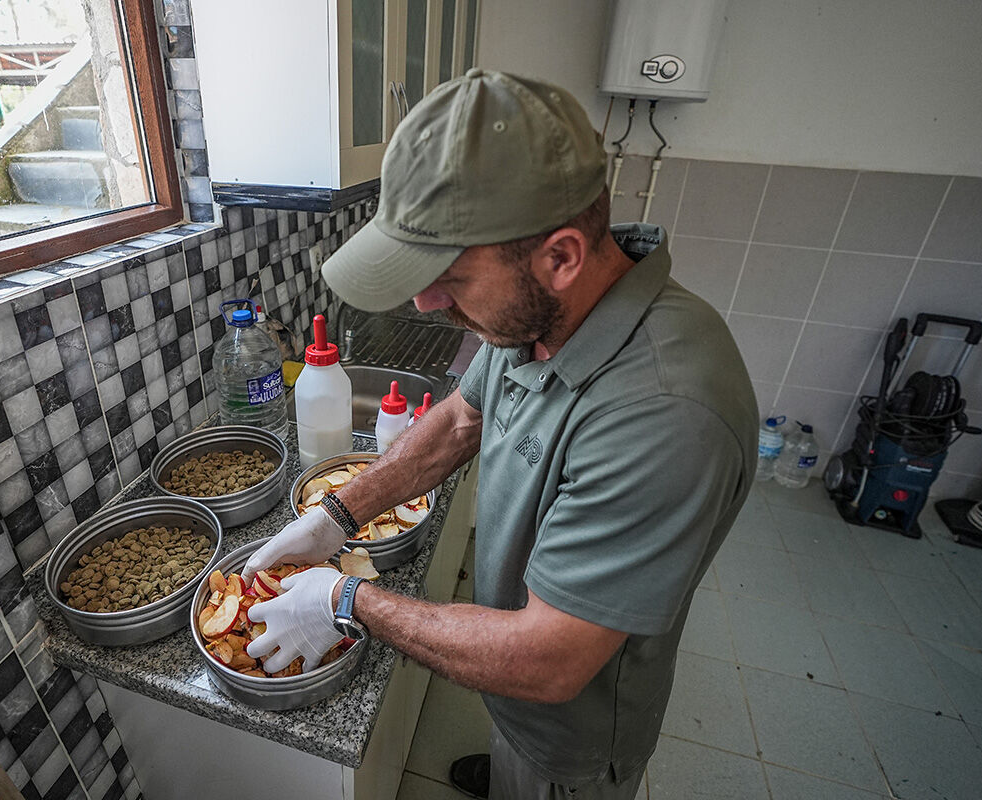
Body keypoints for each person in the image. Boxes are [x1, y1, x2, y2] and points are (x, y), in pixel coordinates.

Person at [241, 69, 758, 800]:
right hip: (509, 678)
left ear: (562, 256)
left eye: (448, 276)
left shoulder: (666, 414)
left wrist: (348, 601)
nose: (426, 302)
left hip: (567, 735)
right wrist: (338, 514)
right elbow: (460, 419)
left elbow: (549, 660)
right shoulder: (536, 315)